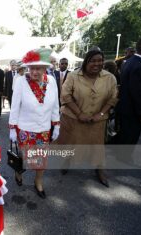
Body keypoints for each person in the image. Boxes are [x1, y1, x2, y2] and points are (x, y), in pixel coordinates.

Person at [57, 49, 118, 187]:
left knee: (97, 147)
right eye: (93, 61)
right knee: (70, 143)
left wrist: (101, 114)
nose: (97, 64)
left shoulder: (110, 78)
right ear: (86, 62)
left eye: (100, 60)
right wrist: (79, 113)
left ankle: (100, 170)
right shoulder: (73, 76)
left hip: (97, 121)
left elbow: (113, 98)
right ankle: (66, 162)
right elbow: (65, 96)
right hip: (73, 118)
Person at [9, 48, 60, 198]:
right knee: (25, 158)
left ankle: (38, 182)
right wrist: (12, 128)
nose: (34, 72)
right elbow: (15, 106)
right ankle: (19, 173)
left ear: (45, 68)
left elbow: (55, 104)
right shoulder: (20, 81)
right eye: (31, 68)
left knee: (41, 159)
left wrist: (56, 124)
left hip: (44, 128)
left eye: (38, 68)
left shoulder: (51, 81)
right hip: (25, 129)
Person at [116, 37, 141, 163]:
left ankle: (121, 155)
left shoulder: (129, 62)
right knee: (131, 134)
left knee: (126, 133)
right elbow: (138, 91)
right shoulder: (139, 65)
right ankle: (124, 158)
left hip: (126, 106)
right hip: (133, 109)